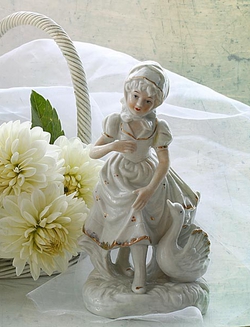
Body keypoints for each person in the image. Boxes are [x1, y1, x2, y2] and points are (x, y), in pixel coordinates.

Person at [81, 61, 198, 294]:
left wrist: (150, 189)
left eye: (148, 101)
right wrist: (113, 145)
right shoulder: (115, 121)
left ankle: (141, 274)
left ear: (156, 103)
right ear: (127, 93)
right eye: (135, 96)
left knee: (139, 218)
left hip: (146, 176)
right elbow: (93, 152)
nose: (139, 105)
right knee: (129, 218)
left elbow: (164, 161)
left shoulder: (157, 127)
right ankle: (124, 263)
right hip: (117, 176)